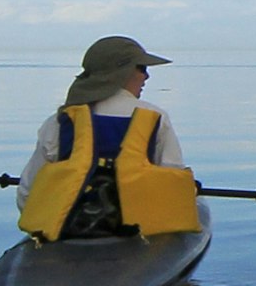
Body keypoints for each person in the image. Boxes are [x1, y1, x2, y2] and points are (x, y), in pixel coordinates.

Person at [16, 35, 201, 244]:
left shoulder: (60, 121)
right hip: (134, 234)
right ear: (122, 72)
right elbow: (172, 185)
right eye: (141, 68)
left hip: (67, 234)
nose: (146, 77)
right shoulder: (155, 117)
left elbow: (27, 192)